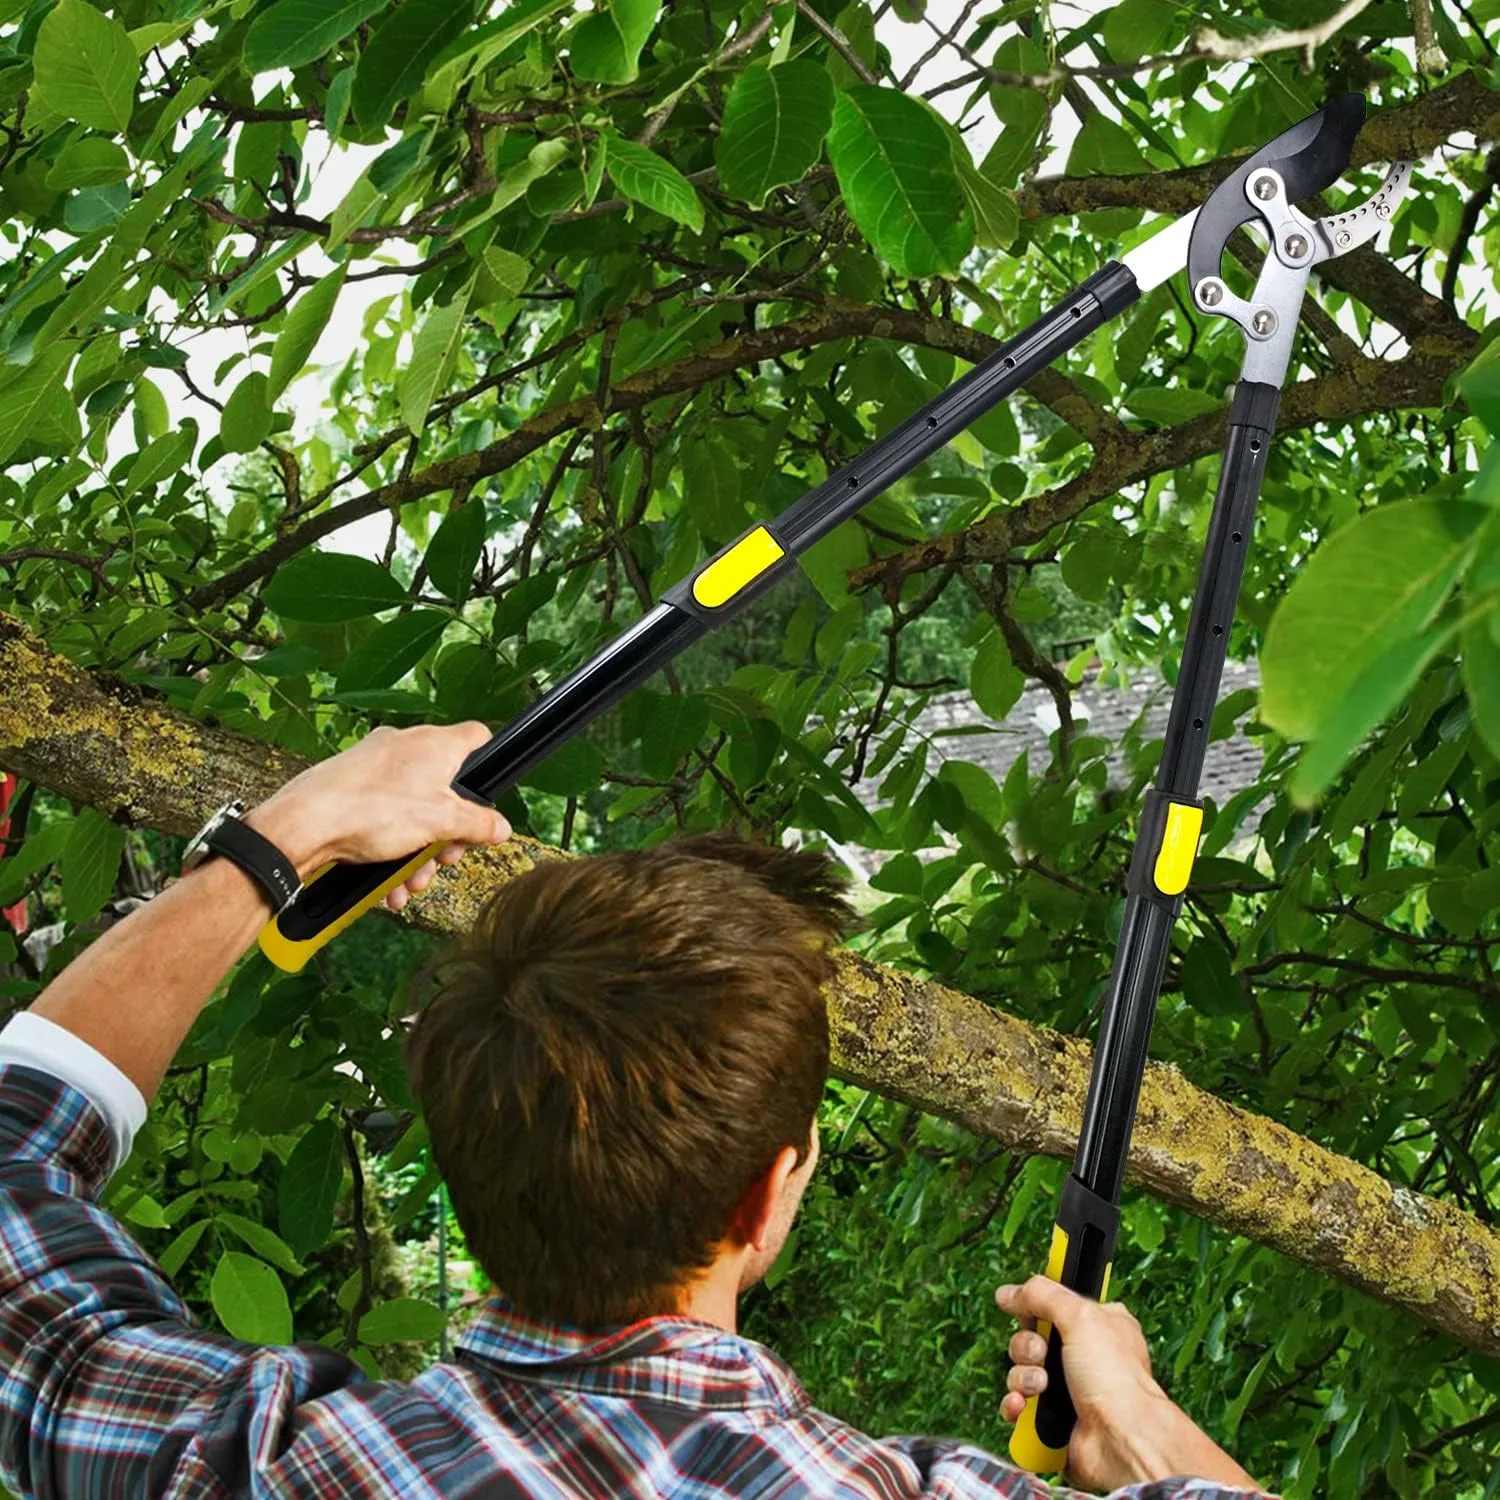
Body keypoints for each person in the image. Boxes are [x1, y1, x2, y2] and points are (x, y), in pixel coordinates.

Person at [0, 723, 1270, 1499]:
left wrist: (292, 833)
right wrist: (1144, 1431)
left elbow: (13, 1165)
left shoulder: (268, 1468)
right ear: (774, 1191)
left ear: (461, 1152)